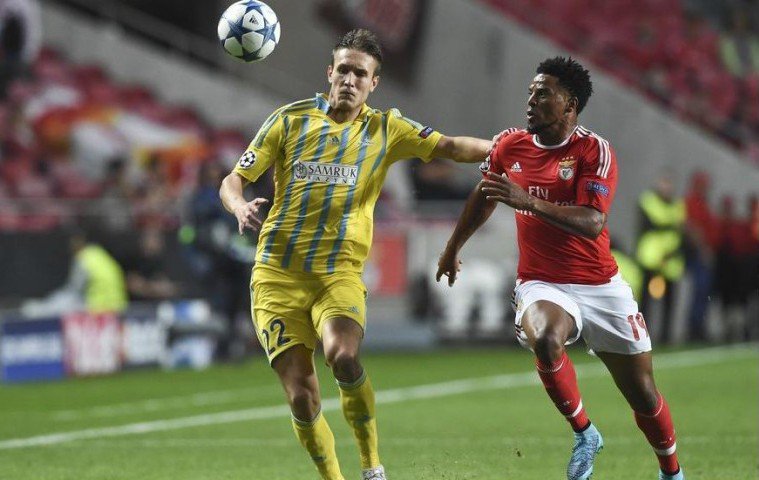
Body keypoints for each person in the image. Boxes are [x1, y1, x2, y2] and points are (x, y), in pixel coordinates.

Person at [219, 29, 491, 480]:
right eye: (343, 70)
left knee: (343, 356)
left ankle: (371, 467)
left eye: (359, 74)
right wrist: (238, 206)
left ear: (373, 83)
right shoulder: (289, 120)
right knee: (301, 397)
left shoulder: (386, 129)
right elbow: (234, 179)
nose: (349, 79)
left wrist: (507, 149)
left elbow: (449, 146)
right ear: (329, 72)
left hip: (337, 275)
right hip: (276, 276)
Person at [436, 57, 684, 480]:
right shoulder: (510, 146)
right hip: (542, 281)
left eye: (543, 93)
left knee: (643, 394)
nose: (531, 101)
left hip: (600, 285)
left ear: (570, 104)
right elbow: (485, 193)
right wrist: (452, 246)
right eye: (530, 92)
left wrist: (529, 201)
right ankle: (585, 433)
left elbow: (593, 222)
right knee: (547, 339)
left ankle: (671, 471)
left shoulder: (594, 150)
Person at [635, 170, 686, 344]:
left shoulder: (677, 205)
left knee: (669, 302)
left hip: (670, 261)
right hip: (651, 259)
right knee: (646, 302)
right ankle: (642, 335)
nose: (666, 188)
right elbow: (647, 227)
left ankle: (666, 337)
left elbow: (680, 231)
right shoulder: (648, 201)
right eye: (663, 183)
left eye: (668, 184)